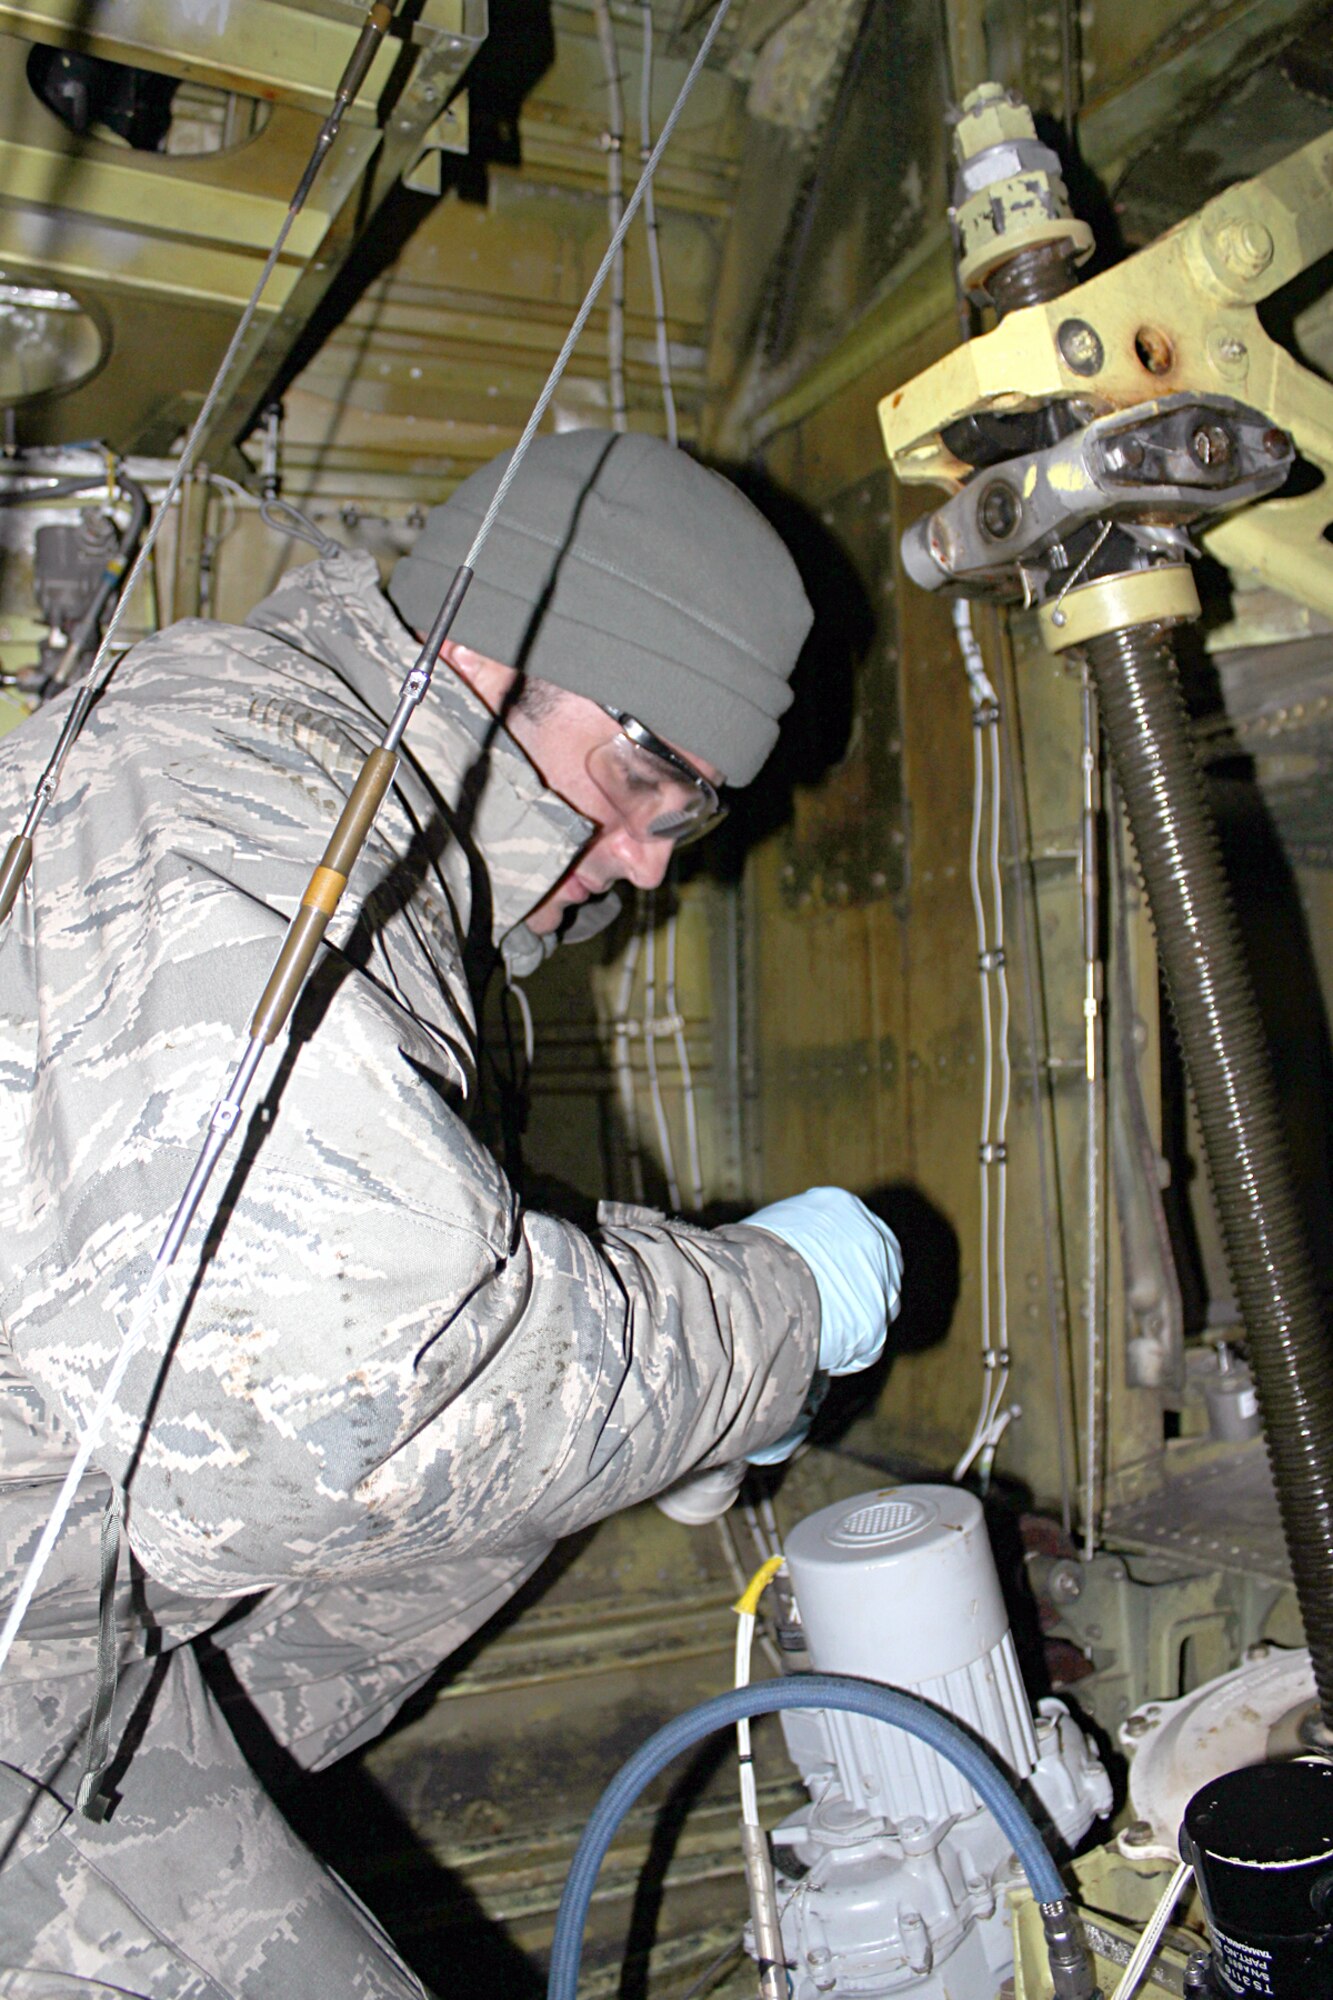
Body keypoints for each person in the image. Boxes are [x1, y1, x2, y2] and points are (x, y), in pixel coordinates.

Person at [0, 429, 902, 1996]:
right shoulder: (230, 779)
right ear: (495, 659)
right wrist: (771, 1312)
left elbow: (395, 1307)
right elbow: (332, 1414)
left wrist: (666, 1394)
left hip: (81, 1626)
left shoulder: (368, 839)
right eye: (641, 780)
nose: (637, 862)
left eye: (679, 824)